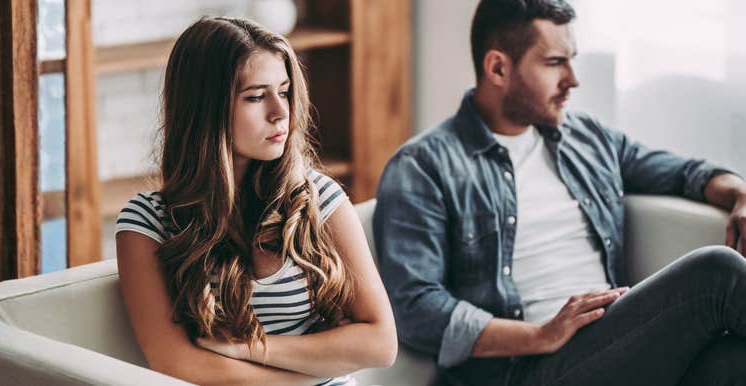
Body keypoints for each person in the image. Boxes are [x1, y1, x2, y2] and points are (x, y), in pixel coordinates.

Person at [373, 1, 746, 385]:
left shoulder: (586, 138)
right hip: (522, 370)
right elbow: (415, 307)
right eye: (554, 63)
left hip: (611, 347)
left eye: (572, 60)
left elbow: (685, 174)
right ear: (498, 68)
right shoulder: (424, 165)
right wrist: (541, 335)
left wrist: (740, 194)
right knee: (717, 272)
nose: (572, 79)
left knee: (734, 358)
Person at [115, 17, 396, 386]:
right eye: (256, 96)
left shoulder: (319, 197)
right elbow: (176, 363)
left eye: (284, 91)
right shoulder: (147, 223)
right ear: (205, 109)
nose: (280, 112)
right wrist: (316, 369)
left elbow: (380, 344)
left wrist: (247, 348)